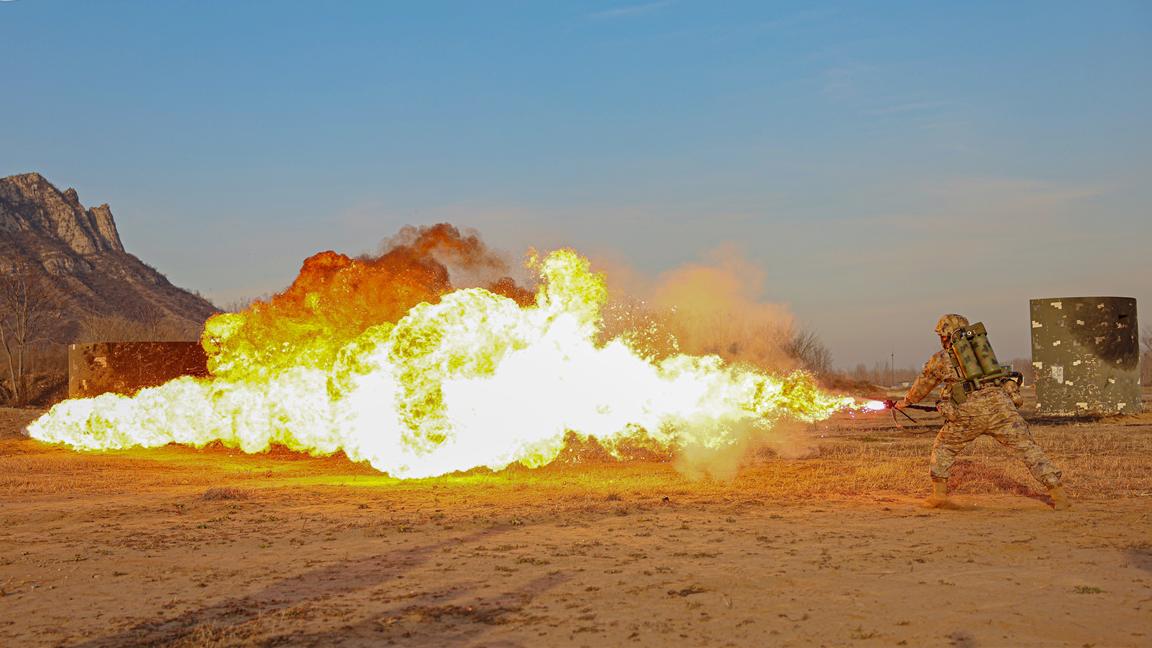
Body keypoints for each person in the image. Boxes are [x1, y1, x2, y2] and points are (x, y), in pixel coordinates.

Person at [895, 314, 1070, 510]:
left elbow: (923, 384)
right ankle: (1059, 495)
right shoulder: (984, 357)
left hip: (969, 415)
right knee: (1029, 450)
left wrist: (906, 402)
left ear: (946, 335)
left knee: (943, 448)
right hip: (1003, 411)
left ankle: (938, 496)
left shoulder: (941, 358)